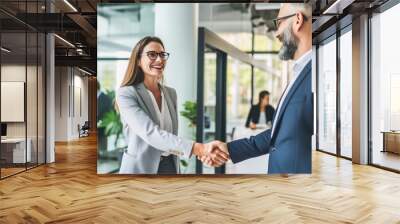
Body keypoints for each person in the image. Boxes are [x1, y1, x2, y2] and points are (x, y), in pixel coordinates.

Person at [202, 3, 313, 174]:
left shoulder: (316, 74)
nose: (276, 33)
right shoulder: (299, 72)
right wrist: (228, 148)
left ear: (297, 20)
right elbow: (278, 134)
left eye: (279, 23)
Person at [116, 36, 228, 174]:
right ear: (138, 60)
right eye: (152, 54)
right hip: (140, 168)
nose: (159, 59)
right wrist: (201, 149)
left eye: (162, 55)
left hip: (170, 165)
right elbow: (150, 133)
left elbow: (170, 133)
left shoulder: (170, 93)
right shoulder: (126, 93)